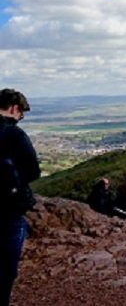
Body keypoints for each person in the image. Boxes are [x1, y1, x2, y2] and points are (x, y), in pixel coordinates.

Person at [0, 88, 40, 306]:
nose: (20, 119)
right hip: (8, 211)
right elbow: (33, 171)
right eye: (21, 114)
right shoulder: (13, 133)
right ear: (14, 108)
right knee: (5, 270)